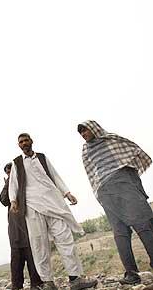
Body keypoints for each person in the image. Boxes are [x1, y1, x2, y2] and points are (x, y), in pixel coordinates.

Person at [8, 133, 97, 290]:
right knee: (39, 244)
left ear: (31, 141)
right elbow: (13, 184)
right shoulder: (17, 163)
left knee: (65, 238)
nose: (24, 143)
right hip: (32, 206)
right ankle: (48, 282)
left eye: (26, 140)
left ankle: (75, 279)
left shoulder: (42, 158)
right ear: (19, 145)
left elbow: (55, 176)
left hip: (53, 203)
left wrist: (67, 193)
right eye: (21, 142)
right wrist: (14, 201)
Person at [78, 120, 153, 285]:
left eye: (85, 131)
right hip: (107, 190)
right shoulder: (86, 151)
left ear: (94, 128)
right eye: (81, 133)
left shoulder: (111, 140)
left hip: (121, 183)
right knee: (128, 229)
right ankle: (131, 274)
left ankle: (132, 274)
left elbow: (132, 151)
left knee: (140, 225)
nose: (84, 135)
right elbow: (93, 174)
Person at [0, 162, 43, 290]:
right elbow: (3, 200)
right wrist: (8, 183)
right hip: (14, 229)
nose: (10, 174)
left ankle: (36, 284)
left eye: (12, 171)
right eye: (8, 172)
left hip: (29, 225)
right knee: (16, 259)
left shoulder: (26, 184)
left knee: (32, 255)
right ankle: (16, 286)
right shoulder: (8, 186)